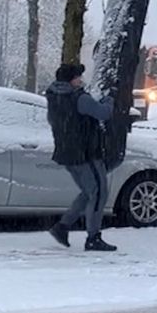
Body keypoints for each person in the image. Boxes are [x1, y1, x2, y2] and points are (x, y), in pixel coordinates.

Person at [45, 63, 117, 252]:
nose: (80, 80)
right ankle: (93, 237)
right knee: (99, 193)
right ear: (71, 79)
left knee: (88, 192)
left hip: (67, 153)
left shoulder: (53, 97)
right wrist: (109, 99)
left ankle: (62, 227)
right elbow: (104, 114)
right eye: (78, 77)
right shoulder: (79, 98)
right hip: (86, 153)